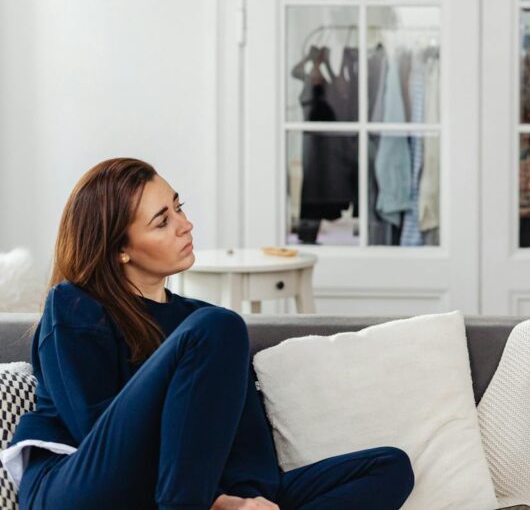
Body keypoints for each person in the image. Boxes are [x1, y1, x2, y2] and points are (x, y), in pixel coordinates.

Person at [1, 158, 415, 509]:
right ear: (118, 249)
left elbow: (247, 445)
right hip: (80, 481)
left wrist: (244, 499)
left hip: (185, 491)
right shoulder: (74, 306)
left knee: (390, 468)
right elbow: (92, 428)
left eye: (178, 208)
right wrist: (212, 498)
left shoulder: (204, 325)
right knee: (218, 327)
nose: (186, 225)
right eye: (163, 221)